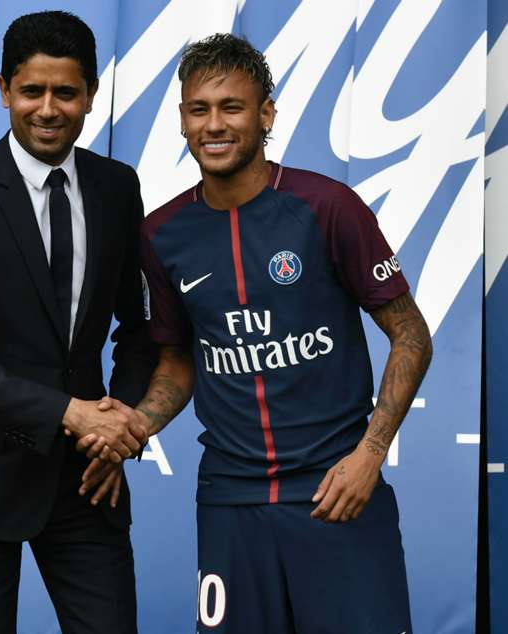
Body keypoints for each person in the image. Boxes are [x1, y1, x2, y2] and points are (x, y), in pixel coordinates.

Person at [81, 33, 432, 633]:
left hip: (336, 491)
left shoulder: (328, 206)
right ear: (183, 121)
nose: (213, 125)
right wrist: (135, 425)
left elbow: (410, 334)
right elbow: (177, 360)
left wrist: (369, 456)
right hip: (229, 501)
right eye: (199, 110)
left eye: (232, 107)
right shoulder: (162, 234)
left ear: (266, 115)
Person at [0, 11, 155, 633]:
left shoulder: (118, 189)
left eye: (66, 93)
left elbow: (139, 328)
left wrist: (115, 426)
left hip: (89, 481)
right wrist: (69, 413)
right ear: (3, 91)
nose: (48, 109)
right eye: (32, 92)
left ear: (91, 95)